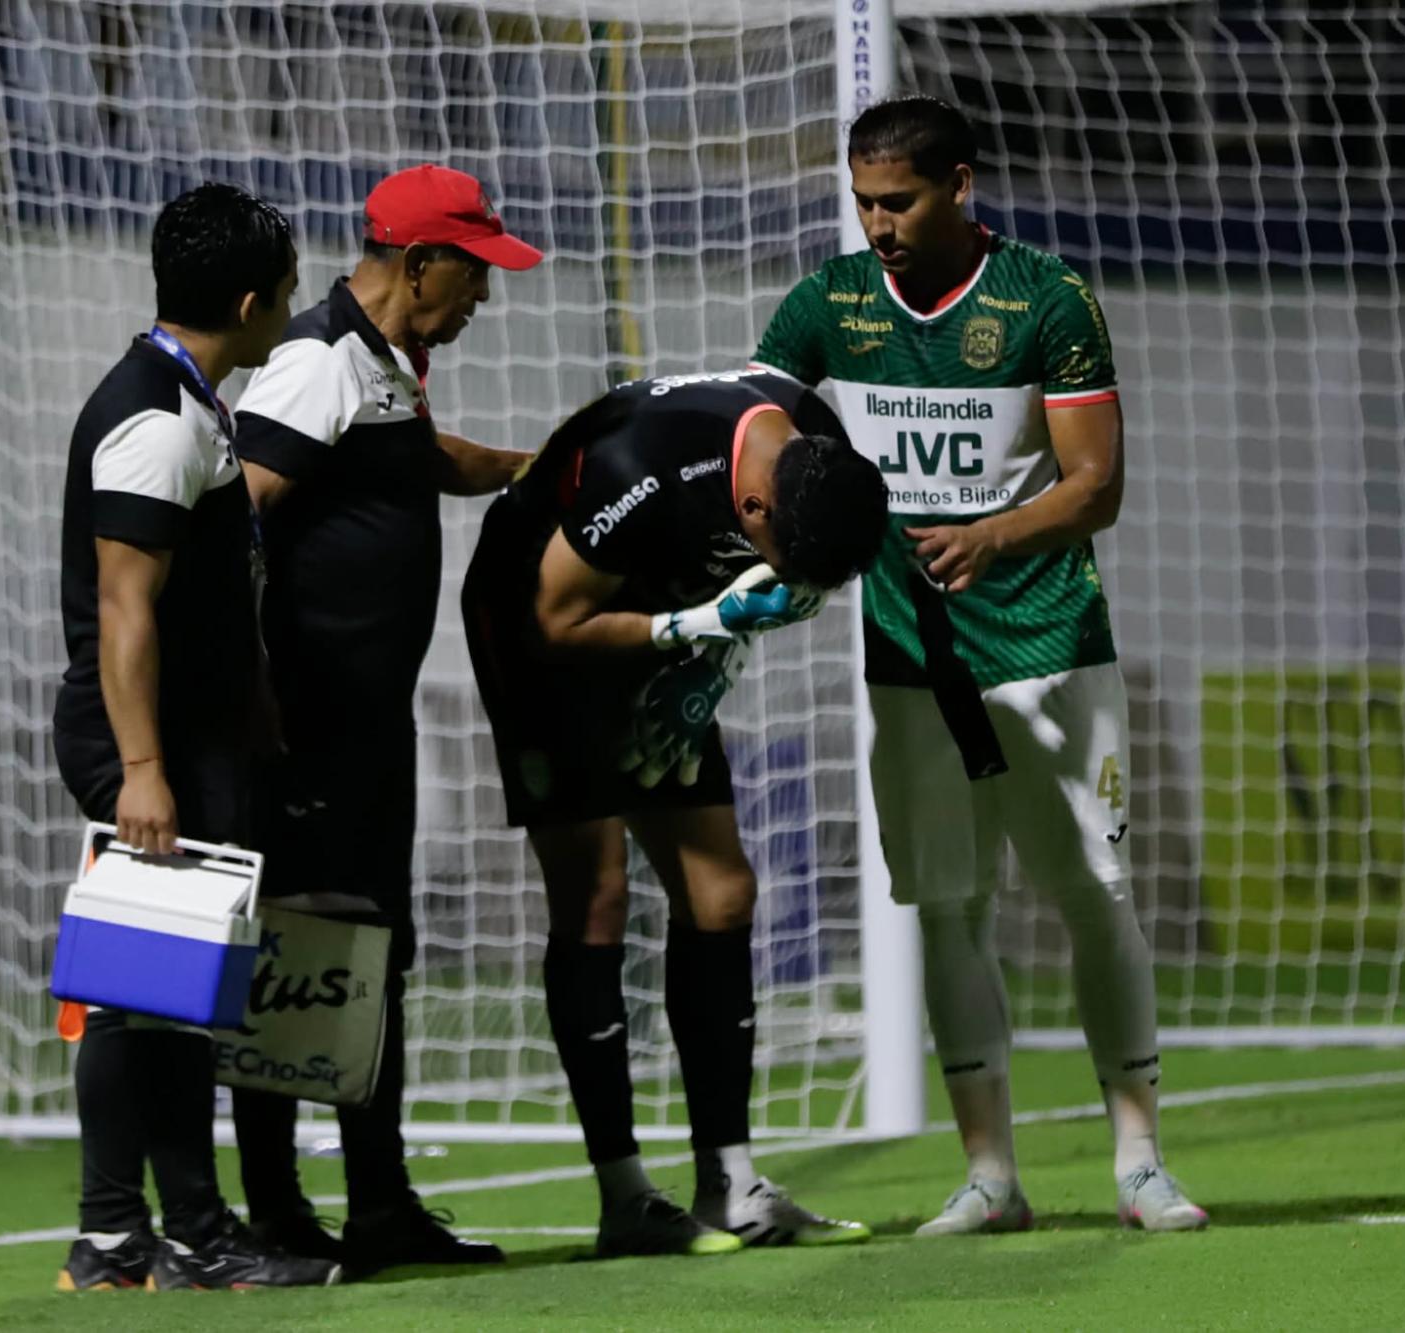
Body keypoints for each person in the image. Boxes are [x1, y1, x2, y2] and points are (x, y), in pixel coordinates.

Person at [749, 96, 1209, 1234]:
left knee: (1093, 896)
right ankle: (990, 1177)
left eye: (896, 201)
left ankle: (1139, 1161)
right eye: (862, 203)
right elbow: (750, 426)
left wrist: (992, 535)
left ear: (960, 184)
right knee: (946, 909)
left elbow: (1095, 482)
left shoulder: (1044, 300)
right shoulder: (828, 303)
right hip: (908, 658)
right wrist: (782, 539)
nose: (877, 225)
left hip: (1046, 642)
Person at [461, 368, 888, 1257]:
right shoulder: (641, 469)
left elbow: (762, 591)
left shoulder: (814, 447)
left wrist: (708, 656)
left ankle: (730, 1185)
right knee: (598, 892)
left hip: (664, 610)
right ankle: (625, 1198)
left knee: (722, 891)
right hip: (542, 619)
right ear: (757, 511)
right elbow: (553, 619)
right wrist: (692, 631)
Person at [226, 165, 540, 1278]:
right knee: (295, 959)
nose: (483, 299)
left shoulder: (378, 365)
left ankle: (376, 1206)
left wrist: (534, 471)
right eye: (474, 275)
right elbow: (236, 515)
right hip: (303, 725)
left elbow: (419, 459)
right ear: (420, 263)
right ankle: (271, 1212)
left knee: (370, 956)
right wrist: (253, 678)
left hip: (364, 726)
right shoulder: (312, 363)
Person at [50, 183, 339, 1290]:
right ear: (256, 300)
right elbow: (122, 610)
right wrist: (143, 770)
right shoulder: (155, 420)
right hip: (147, 744)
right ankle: (140, 1238)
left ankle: (157, 1238)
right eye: (288, 293)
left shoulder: (186, 400)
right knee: (142, 997)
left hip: (188, 737)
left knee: (164, 1001)